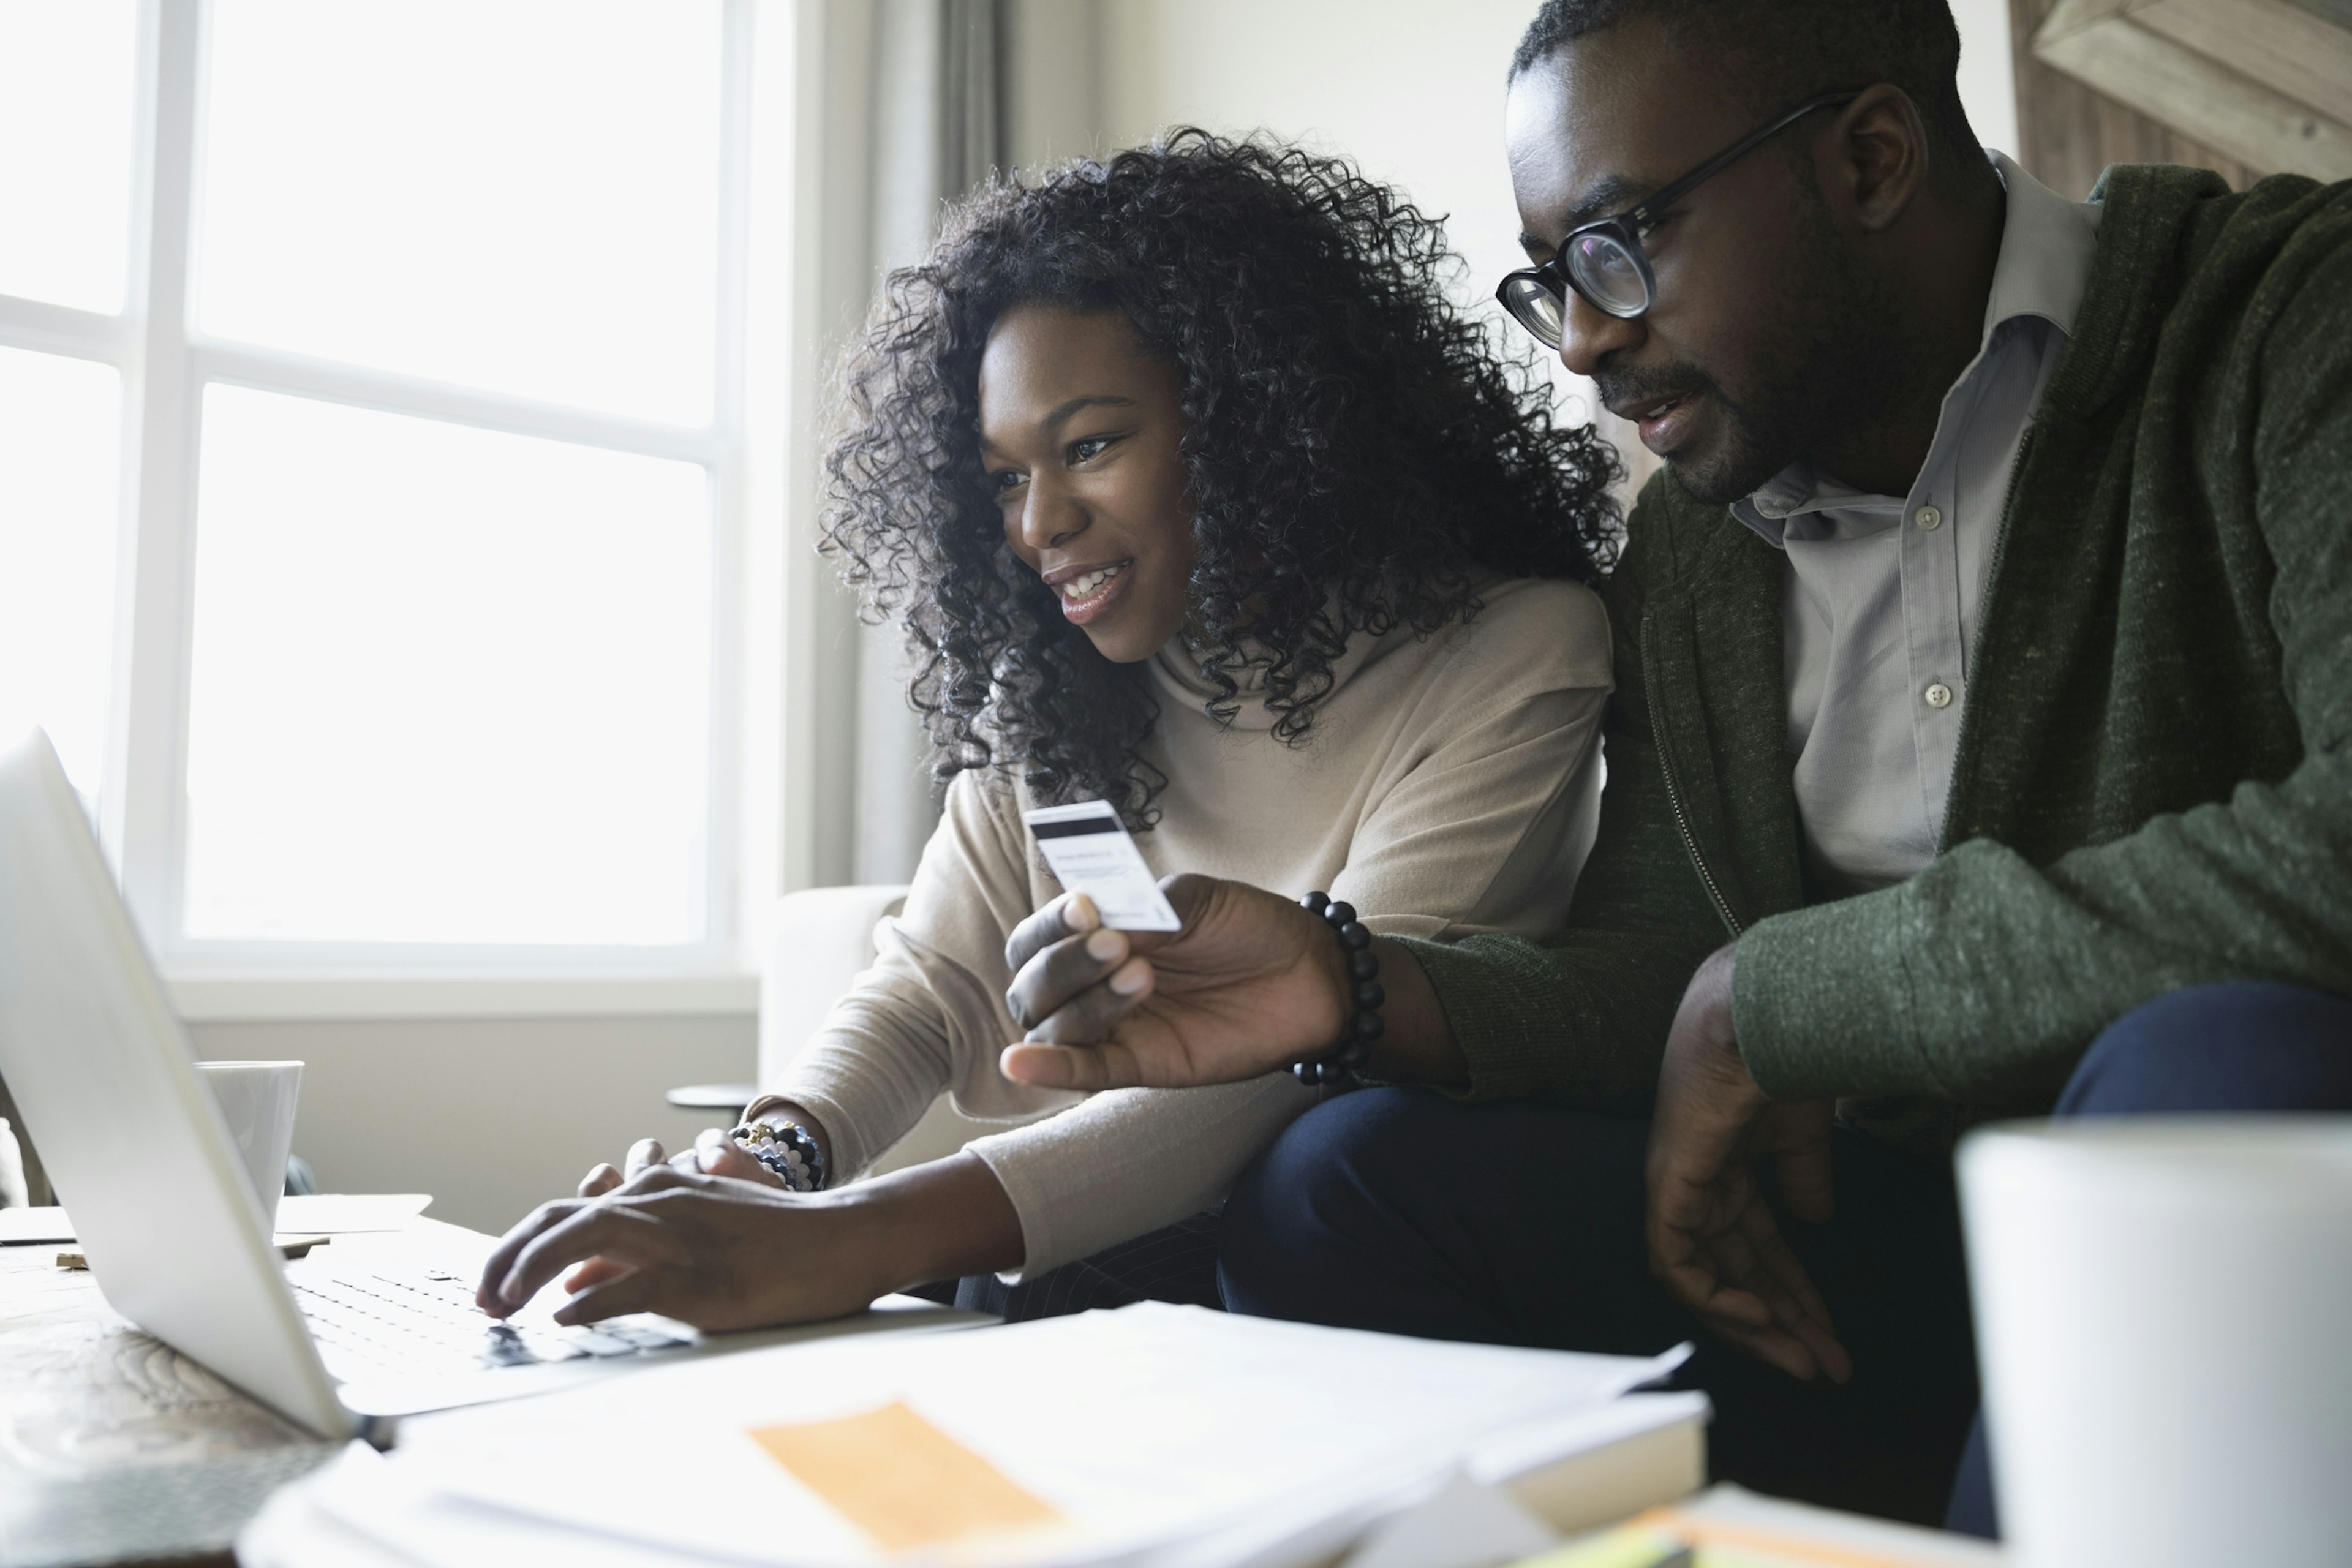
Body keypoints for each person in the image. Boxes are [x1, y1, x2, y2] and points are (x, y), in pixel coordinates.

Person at [984, 0, 2352, 1532]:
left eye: (1621, 244)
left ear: (1873, 159)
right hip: (1855, 1271)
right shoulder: (1701, 542)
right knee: (1339, 1175)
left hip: (2212, 1250)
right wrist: (1352, 984)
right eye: (1552, 279)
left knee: (2226, 1068)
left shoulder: (2289, 321)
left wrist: (1778, 997)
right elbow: (1663, 963)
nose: (1582, 338)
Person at [476, 133, 1623, 1332]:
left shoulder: (1512, 653)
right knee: (959, 1293)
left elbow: (1304, 1050)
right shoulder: (1064, 695)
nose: (1042, 523)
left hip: (1346, 1233)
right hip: (1127, 1229)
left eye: (1088, 446)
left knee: (1013, 1264)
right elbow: (928, 985)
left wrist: (847, 1237)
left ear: (1262, 420)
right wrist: (767, 1164)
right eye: (1004, 479)